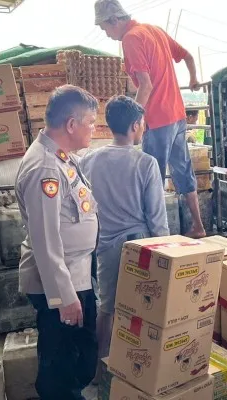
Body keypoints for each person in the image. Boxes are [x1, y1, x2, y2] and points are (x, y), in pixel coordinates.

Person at [95, 0, 206, 238]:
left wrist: (132, 119)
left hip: (157, 119)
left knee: (151, 176)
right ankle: (198, 226)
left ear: (115, 20)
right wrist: (194, 79)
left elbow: (146, 85)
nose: (107, 34)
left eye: (105, 28)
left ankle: (157, 236)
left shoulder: (131, 38)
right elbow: (187, 56)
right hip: (177, 114)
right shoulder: (153, 29)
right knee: (183, 171)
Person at [15, 85, 99, 399]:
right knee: (62, 361)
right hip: (61, 282)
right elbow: (45, 240)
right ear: (71, 125)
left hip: (75, 273)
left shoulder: (60, 157)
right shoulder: (45, 168)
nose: (94, 129)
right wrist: (64, 297)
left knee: (76, 354)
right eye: (91, 122)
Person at [79, 95, 169, 367]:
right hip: (139, 247)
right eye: (142, 124)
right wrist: (167, 251)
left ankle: (100, 367)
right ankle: (135, 365)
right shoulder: (146, 163)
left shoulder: (89, 160)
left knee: (107, 307)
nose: (143, 129)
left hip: (103, 246)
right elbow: (156, 216)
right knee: (143, 307)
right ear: (134, 125)